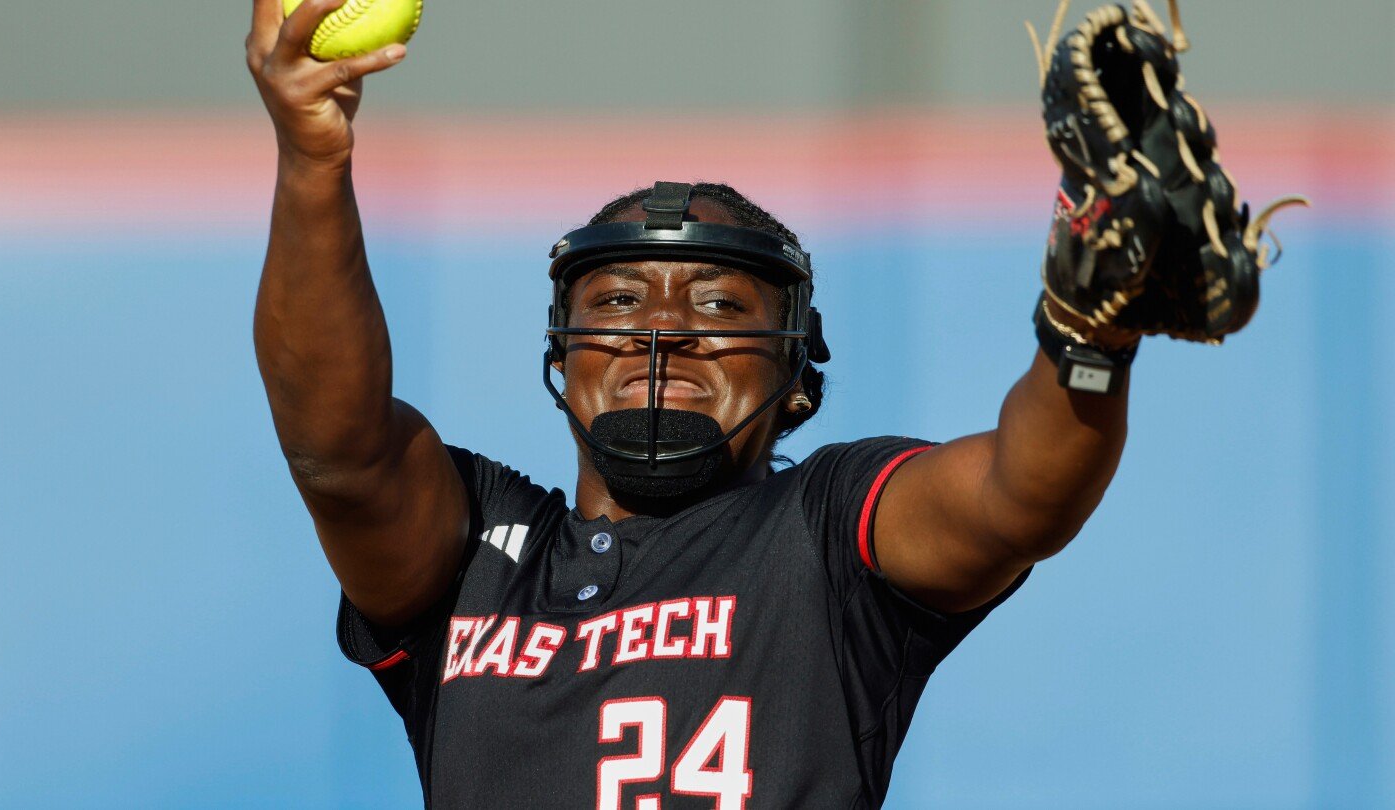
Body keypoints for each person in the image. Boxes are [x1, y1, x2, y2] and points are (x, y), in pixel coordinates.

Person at [248, 0, 1282, 806]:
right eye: (615, 300)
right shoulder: (479, 544)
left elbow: (1020, 496)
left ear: (798, 381)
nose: (664, 328)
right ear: (562, 357)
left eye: (718, 302)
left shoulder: (824, 528)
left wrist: (1089, 340)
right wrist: (311, 153)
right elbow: (338, 450)